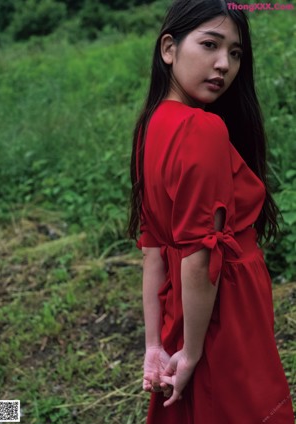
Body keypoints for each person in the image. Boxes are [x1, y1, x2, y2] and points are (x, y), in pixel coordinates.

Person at [128, 0, 294, 422]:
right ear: (169, 48)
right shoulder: (202, 128)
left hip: (185, 308)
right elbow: (201, 257)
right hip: (223, 307)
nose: (224, 64)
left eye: (235, 53)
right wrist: (193, 351)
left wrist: (155, 346)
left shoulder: (151, 125)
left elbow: (153, 249)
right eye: (210, 44)